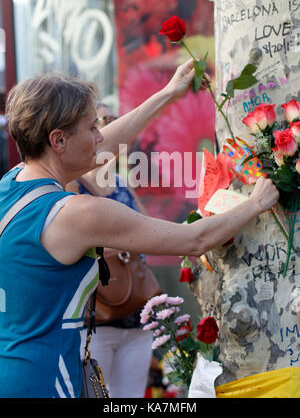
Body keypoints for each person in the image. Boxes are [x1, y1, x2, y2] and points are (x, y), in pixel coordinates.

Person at [0, 59, 279, 398]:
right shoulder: (76, 213)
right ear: (57, 140)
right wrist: (256, 203)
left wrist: (168, 94)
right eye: (91, 128)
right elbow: (195, 239)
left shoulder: (12, 183)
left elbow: (99, 149)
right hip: (47, 381)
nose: (100, 135)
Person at [67, 103, 155, 398]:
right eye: (99, 123)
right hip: (96, 319)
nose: (106, 130)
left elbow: (150, 232)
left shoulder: (120, 184)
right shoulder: (72, 186)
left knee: (129, 399)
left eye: (110, 121)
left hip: (136, 313)